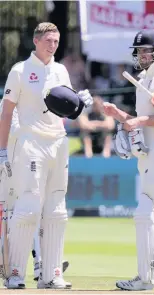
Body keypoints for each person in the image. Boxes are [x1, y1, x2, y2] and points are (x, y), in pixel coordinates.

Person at [0, 22, 93, 289]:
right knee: (28, 208)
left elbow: (65, 108)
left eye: (56, 41)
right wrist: (3, 150)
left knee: (57, 211)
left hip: (58, 142)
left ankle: (51, 275)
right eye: (49, 40)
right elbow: (7, 113)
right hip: (30, 141)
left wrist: (79, 105)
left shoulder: (61, 70)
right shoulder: (20, 71)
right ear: (36, 41)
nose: (53, 45)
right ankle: (15, 273)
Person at [102, 29, 154, 291]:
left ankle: (146, 279)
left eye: (146, 50)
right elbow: (143, 122)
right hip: (150, 149)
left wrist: (141, 120)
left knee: (146, 211)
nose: (141, 55)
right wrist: (119, 115)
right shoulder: (143, 79)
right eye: (138, 51)